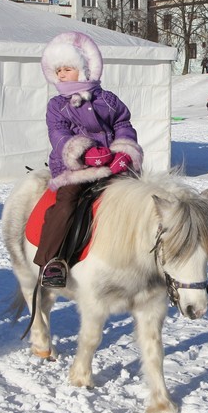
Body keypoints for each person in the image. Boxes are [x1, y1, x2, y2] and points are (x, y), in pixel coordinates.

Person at [36, 31, 143, 288]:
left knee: (138, 201)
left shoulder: (108, 100)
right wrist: (83, 152)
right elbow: (58, 134)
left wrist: (124, 153)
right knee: (67, 202)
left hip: (113, 167)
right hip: (74, 169)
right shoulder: (57, 105)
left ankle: (141, 257)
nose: (61, 74)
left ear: (85, 70)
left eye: (68, 68)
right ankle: (53, 260)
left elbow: (123, 124)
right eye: (58, 69)